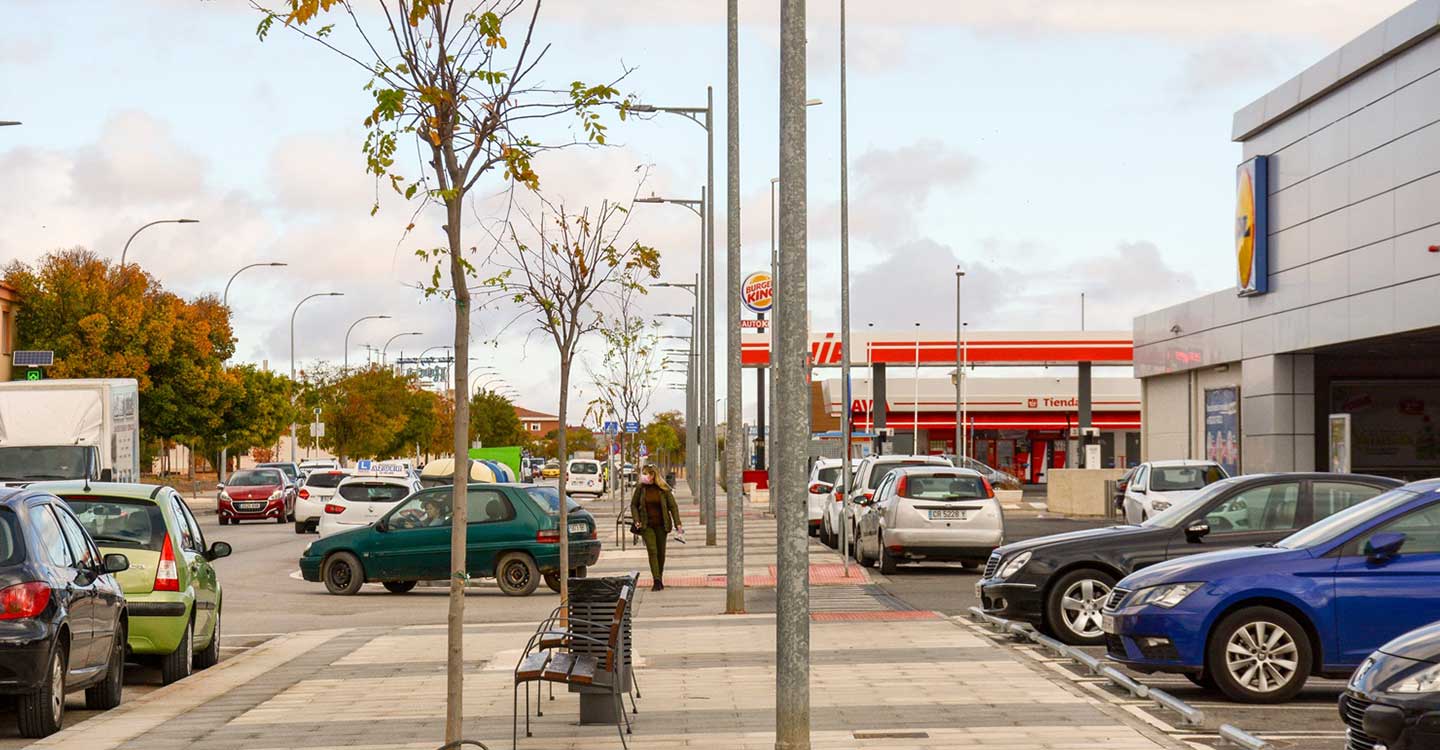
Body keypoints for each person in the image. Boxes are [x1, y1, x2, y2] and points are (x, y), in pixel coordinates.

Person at [630, 464, 681, 590]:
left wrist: (677, 523)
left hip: (662, 525)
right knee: (652, 550)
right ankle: (656, 580)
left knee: (661, 553)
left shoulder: (663, 489)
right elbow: (633, 505)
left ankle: (660, 576)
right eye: (643, 473)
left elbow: (673, 507)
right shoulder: (641, 488)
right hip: (646, 525)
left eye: (646, 473)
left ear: (653, 475)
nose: (644, 476)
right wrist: (637, 520)